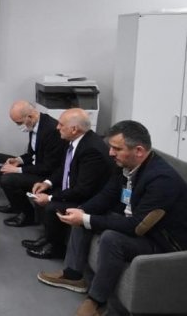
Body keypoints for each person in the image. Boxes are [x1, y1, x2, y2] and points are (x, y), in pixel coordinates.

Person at [37, 120, 187, 316]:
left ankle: (96, 301)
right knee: (84, 214)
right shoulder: (126, 165)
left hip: (162, 241)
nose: (110, 153)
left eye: (117, 148)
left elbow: (138, 227)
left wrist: (86, 219)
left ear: (139, 151)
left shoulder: (162, 180)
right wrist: (81, 211)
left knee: (111, 238)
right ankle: (73, 275)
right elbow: (107, 195)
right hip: (138, 222)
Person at [24, 108, 113, 259]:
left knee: (52, 205)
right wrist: (47, 183)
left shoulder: (92, 150)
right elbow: (64, 168)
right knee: (42, 192)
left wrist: (50, 198)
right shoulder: (73, 140)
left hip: (88, 198)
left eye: (61, 124)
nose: (57, 127)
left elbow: (83, 190)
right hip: (73, 187)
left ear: (74, 129)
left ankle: (55, 248)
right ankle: (48, 238)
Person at [0, 100, 67, 227]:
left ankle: (28, 215)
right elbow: (33, 153)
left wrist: (18, 170)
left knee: (7, 179)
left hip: (46, 175)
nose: (18, 126)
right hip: (36, 166)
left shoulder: (51, 130)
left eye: (19, 122)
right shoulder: (34, 125)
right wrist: (18, 160)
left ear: (30, 116)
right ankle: (16, 204)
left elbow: (49, 167)